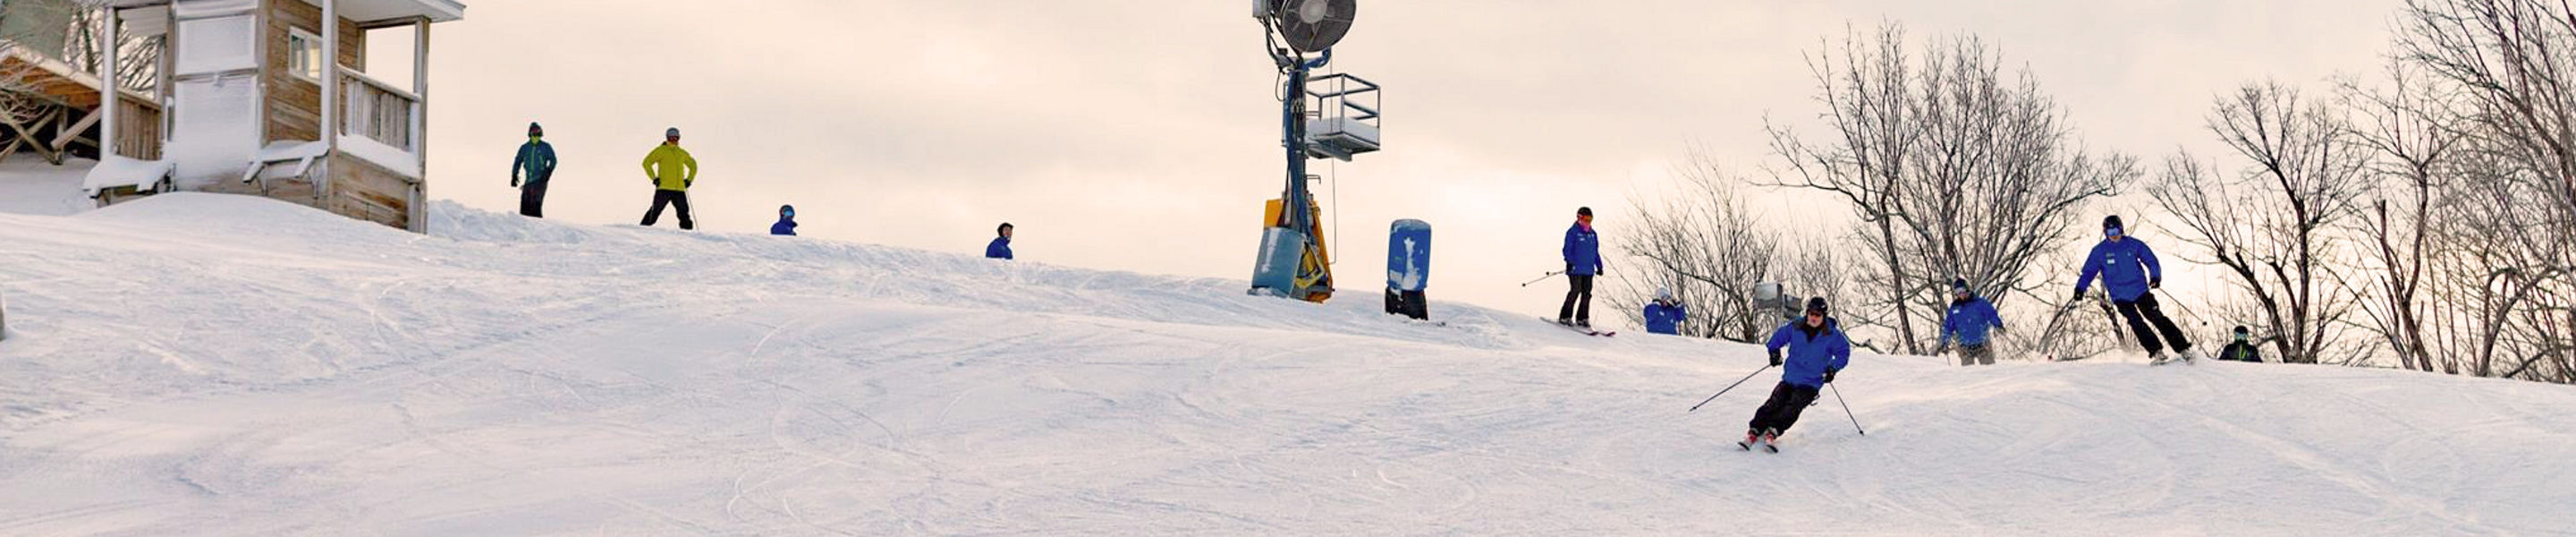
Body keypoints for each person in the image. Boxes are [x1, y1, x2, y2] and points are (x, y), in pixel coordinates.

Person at [2075, 215, 2195, 363]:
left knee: (2156, 316)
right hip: (2120, 296)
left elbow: (2151, 260)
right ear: (2106, 233)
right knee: (2135, 322)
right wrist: (2080, 288)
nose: (2115, 236)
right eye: (2111, 233)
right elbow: (2088, 272)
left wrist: (2155, 277)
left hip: (2140, 290)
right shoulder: (2100, 251)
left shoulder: (2133, 244)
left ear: (2122, 229)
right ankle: (2156, 351)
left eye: (2117, 231)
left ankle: (2183, 348)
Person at [1744, 296, 1852, 448]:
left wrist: (1832, 368)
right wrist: (1774, 352)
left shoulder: (1832, 334)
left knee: (1793, 406)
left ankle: (1774, 429)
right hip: (1791, 377)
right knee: (1775, 402)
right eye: (1811, 314)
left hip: (1811, 382)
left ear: (1824, 316)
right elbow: (1778, 338)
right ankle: (1756, 428)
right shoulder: (1796, 327)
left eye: (1818, 315)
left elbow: (1844, 352)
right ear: (1807, 313)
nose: (1814, 318)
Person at [639, 127, 699, 230]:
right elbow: (646, 162)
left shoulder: (681, 153)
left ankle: (688, 234)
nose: (673, 140)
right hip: (664, 188)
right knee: (655, 210)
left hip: (679, 189)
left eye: (676, 138)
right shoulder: (661, 151)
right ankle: (642, 229)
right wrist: (654, 178)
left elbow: (693, 165)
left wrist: (689, 180)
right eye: (671, 138)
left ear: (679, 138)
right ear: (667, 138)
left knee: (684, 212)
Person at [1940, 277, 2005, 366]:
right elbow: (1948, 326)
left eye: (1962, 290)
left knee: (1989, 370)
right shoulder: (1955, 308)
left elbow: (1992, 314)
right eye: (1957, 291)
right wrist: (1945, 341)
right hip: (1965, 346)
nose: (1961, 294)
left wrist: (1998, 325)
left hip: (1982, 343)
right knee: (1968, 374)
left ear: (1967, 289)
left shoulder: (1980, 303)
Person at [1557, 207, 1604, 328]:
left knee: (1587, 294)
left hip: (1588, 270)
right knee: (1575, 290)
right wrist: (1569, 262)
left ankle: (1582, 318)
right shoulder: (1573, 232)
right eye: (1585, 219)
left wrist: (1599, 266)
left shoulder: (1593, 234)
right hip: (1575, 269)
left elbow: (1595, 252)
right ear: (1579, 218)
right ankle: (1565, 316)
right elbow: (1567, 249)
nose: (1588, 222)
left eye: (1590, 219)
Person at [510, 122, 557, 217]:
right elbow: (518, 160)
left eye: (537, 131)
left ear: (541, 133)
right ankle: (525, 229)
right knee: (525, 207)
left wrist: (548, 172)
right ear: (530, 133)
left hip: (540, 180)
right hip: (528, 181)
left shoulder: (545, 147)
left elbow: (553, 160)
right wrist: (514, 175)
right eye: (533, 131)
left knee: (535, 205)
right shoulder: (525, 148)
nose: (535, 134)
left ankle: (537, 228)